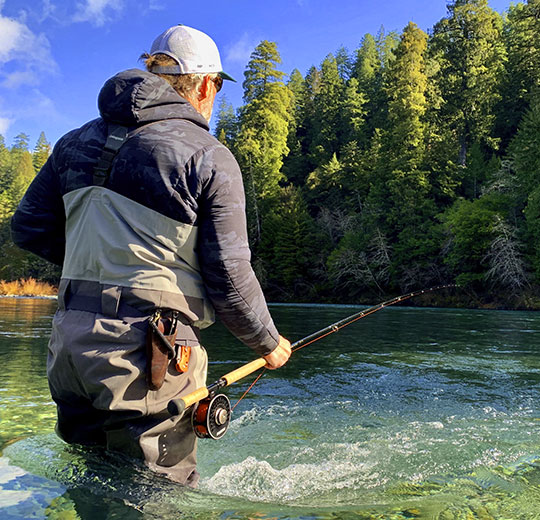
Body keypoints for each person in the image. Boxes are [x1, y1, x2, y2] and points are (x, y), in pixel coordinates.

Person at [11, 24, 291, 488]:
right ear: (204, 84)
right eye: (218, 87)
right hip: (150, 357)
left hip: (68, 348)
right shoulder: (208, 154)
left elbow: (28, 228)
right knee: (157, 499)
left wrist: (102, 264)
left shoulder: (73, 143)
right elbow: (229, 274)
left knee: (93, 484)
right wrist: (268, 342)